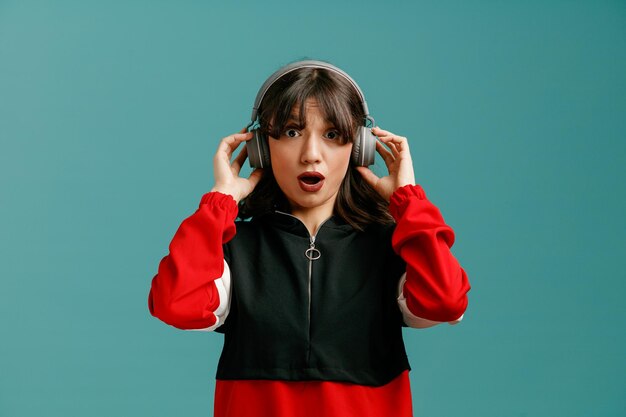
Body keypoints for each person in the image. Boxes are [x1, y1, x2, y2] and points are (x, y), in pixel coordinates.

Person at [148, 60, 471, 417]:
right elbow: (176, 304)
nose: (311, 154)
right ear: (261, 147)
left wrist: (408, 200)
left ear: (360, 147)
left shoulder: (393, 247)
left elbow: (445, 301)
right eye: (290, 132)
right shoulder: (231, 249)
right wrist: (220, 201)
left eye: (332, 135)